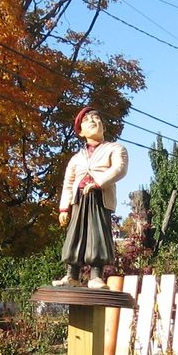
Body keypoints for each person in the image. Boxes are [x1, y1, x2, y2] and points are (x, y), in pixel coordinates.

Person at [52, 107, 128, 289]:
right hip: (78, 200)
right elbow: (68, 183)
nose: (93, 121)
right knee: (75, 235)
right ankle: (72, 275)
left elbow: (119, 168)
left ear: (103, 126)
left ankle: (96, 276)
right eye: (87, 120)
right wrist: (64, 208)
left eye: (96, 118)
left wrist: (98, 182)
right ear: (80, 132)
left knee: (97, 235)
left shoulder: (115, 148)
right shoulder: (76, 158)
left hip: (99, 198)